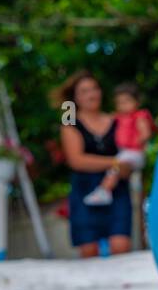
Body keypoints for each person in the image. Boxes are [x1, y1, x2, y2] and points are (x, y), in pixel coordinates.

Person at [56, 71, 132, 257]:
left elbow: (129, 159)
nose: (91, 94)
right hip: (85, 191)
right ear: (75, 98)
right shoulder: (70, 124)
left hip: (116, 191)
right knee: (89, 251)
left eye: (94, 89)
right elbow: (77, 161)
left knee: (120, 246)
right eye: (84, 91)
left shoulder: (117, 121)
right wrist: (114, 162)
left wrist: (121, 166)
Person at [83, 83, 153, 207]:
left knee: (114, 169)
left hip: (133, 152)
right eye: (119, 103)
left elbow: (145, 132)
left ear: (137, 102)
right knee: (117, 168)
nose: (123, 106)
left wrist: (139, 139)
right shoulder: (119, 117)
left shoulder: (139, 116)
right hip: (125, 152)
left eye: (126, 101)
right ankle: (133, 186)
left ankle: (104, 191)